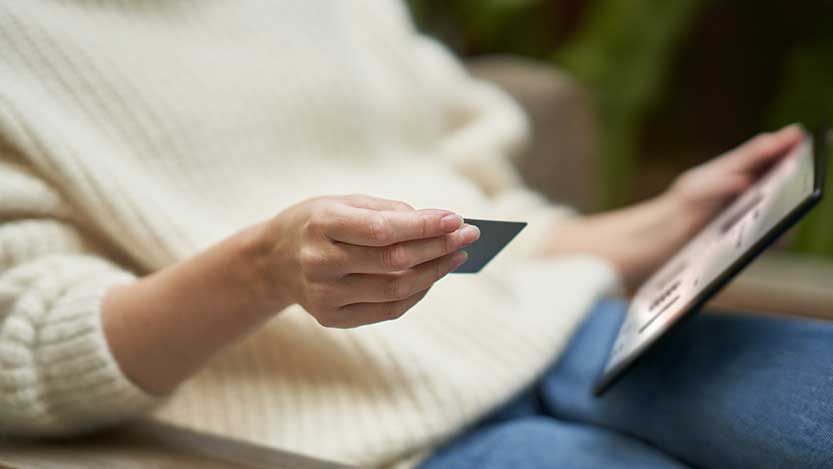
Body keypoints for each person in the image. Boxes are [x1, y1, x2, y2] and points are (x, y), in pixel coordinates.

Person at [0, 1, 829, 467]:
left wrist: (660, 223)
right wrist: (264, 269)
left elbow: (479, 218)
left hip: (573, 328)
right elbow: (29, 356)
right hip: (383, 434)